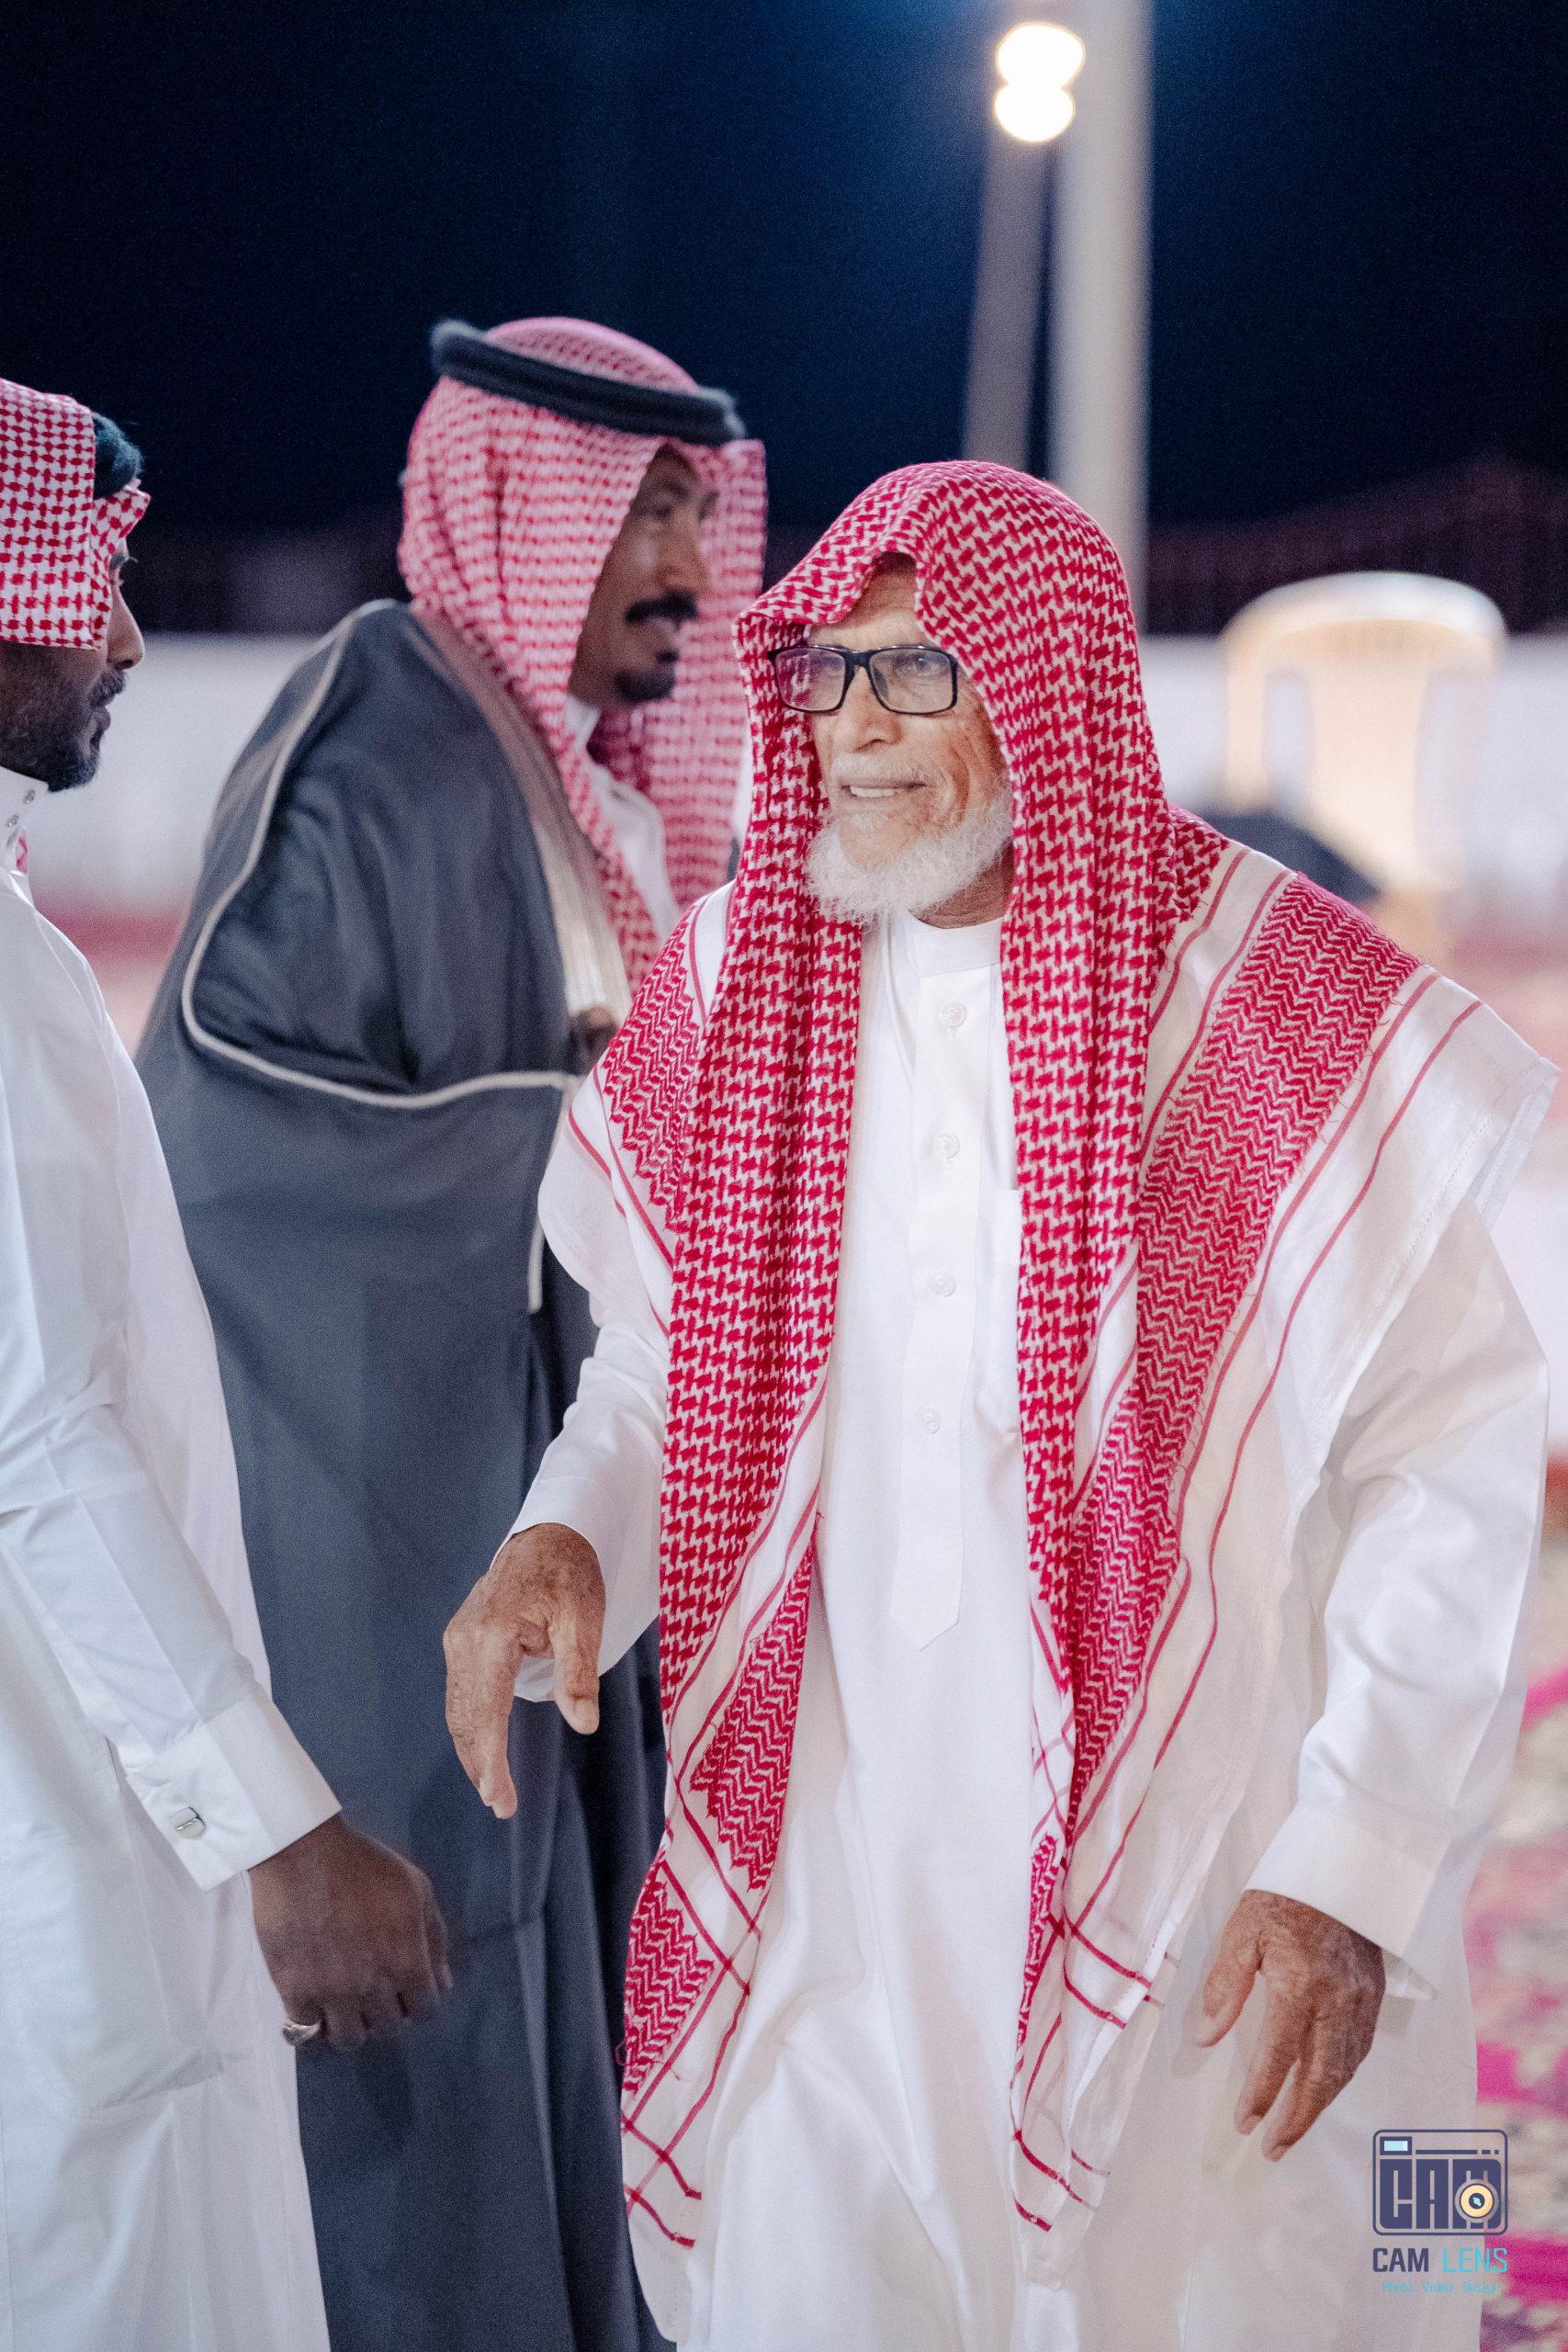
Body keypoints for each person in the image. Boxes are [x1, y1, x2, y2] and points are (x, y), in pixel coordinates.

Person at [446, 461, 1551, 2352]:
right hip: (831, 1856)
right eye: (828, 675)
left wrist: (1354, 1862)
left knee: (1273, 2283)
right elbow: (659, 1357)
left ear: (1043, 693)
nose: (855, 729)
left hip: (1216, 1870)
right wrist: (566, 1529)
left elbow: (1446, 1454)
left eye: (916, 676)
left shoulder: (1269, 1008)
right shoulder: (733, 992)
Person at [139, 317, 764, 2351]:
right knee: (439, 2029)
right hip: (380, 1535)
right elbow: (229, 1140)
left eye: (698, 511)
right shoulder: (373, 737)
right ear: (516, 505)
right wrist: (602, 1144)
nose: (689, 567)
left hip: (544, 1502)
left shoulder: (544, 772)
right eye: (644, 513)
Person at [0, 379, 449, 2352]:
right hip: (65, 1850)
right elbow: (36, 1441)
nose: (121, 635)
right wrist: (279, 1827)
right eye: (78, 582)